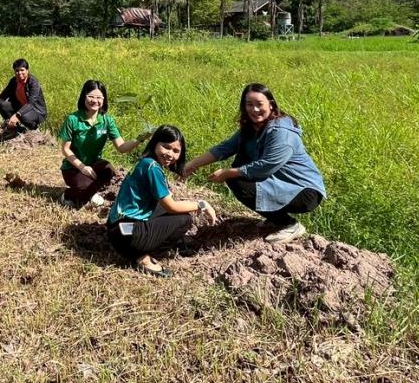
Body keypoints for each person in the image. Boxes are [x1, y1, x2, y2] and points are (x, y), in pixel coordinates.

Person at [183, 83, 325, 244]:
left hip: (304, 191)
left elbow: (266, 166)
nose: (254, 109)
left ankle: (289, 225)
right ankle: (275, 218)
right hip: (281, 183)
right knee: (240, 163)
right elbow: (225, 148)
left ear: (271, 105)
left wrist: (228, 172)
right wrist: (192, 164)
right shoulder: (252, 128)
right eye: (249, 105)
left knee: (237, 179)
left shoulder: (282, 133)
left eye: (259, 104)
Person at [107, 125, 218, 277]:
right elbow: (171, 206)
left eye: (176, 151)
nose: (170, 154)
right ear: (155, 144)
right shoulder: (153, 168)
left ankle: (145, 246)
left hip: (117, 230)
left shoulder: (145, 162)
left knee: (164, 208)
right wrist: (201, 205)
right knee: (184, 219)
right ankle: (144, 257)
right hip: (129, 238)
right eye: (166, 147)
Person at [57, 80, 147, 208]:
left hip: (94, 164)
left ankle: (89, 193)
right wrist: (82, 167)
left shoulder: (107, 120)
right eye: (91, 96)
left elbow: (122, 148)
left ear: (104, 100)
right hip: (73, 167)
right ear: (84, 97)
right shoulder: (73, 119)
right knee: (85, 189)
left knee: (108, 170)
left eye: (99, 97)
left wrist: (140, 138)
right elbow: (66, 150)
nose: (95, 101)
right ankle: (68, 194)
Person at [0, 58, 47, 133]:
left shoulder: (33, 83)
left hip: (35, 110)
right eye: (17, 71)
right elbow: (3, 96)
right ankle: (16, 128)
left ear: (27, 70)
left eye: (22, 70)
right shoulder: (14, 81)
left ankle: (33, 129)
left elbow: (31, 103)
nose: (19, 73)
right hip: (20, 107)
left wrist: (17, 115)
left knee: (23, 116)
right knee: (3, 105)